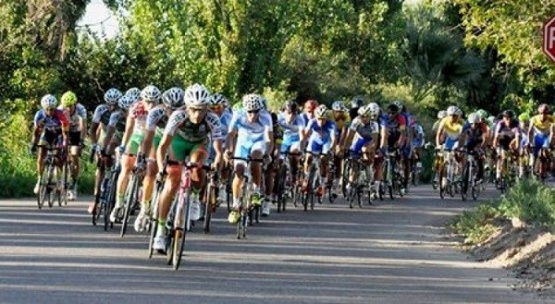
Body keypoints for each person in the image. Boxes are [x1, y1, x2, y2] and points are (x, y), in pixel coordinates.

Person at [153, 83, 223, 252]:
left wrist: (216, 167)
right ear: (187, 107)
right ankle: (160, 232)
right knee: (171, 183)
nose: (197, 114)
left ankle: (195, 198)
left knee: (197, 167)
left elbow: (218, 150)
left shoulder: (213, 119)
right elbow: (162, 147)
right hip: (178, 142)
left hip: (199, 144)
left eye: (201, 109)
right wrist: (162, 168)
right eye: (193, 109)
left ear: (207, 107)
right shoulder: (178, 116)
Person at [224, 94, 273, 224]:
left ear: (260, 110)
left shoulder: (266, 117)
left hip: (258, 142)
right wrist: (228, 150)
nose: (252, 115)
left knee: (256, 160)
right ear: (245, 109)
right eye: (250, 112)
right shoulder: (238, 114)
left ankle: (256, 191)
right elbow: (231, 134)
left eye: (256, 111)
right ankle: (235, 205)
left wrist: (267, 153)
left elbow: (269, 139)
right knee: (239, 172)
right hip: (243, 143)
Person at [31, 94, 69, 194]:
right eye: (47, 109)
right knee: (41, 154)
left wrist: (65, 144)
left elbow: (65, 132)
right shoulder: (39, 115)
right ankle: (39, 180)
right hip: (47, 134)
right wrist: (34, 144)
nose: (50, 112)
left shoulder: (60, 114)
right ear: (44, 108)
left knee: (57, 154)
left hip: (59, 135)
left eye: (52, 109)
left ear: (55, 108)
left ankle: (60, 179)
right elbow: (36, 132)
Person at [59, 91, 87, 200]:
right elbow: (58, 125)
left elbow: (83, 126)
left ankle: (74, 183)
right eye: (66, 106)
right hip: (64, 131)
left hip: (77, 132)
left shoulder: (81, 109)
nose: (68, 109)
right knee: (59, 152)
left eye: (70, 106)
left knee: (75, 153)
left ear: (75, 104)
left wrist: (81, 141)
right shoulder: (60, 109)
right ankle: (58, 177)